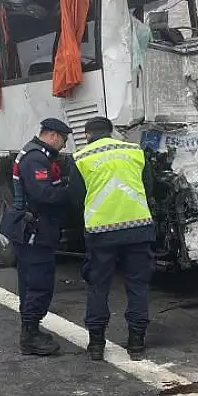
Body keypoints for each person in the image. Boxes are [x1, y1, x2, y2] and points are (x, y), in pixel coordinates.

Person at [71, 116, 155, 361]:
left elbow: (76, 197)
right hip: (138, 228)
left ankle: (96, 344)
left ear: (88, 134)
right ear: (111, 132)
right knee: (138, 286)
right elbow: (148, 187)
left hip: (101, 232)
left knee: (98, 287)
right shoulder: (134, 151)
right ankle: (136, 343)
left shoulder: (82, 158)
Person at [0, 117, 74, 356]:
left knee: (31, 283)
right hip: (34, 231)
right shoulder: (35, 159)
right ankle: (29, 335)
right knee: (38, 284)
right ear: (51, 135)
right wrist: (70, 191)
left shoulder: (37, 155)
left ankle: (30, 330)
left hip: (34, 230)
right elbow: (43, 194)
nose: (63, 145)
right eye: (63, 139)